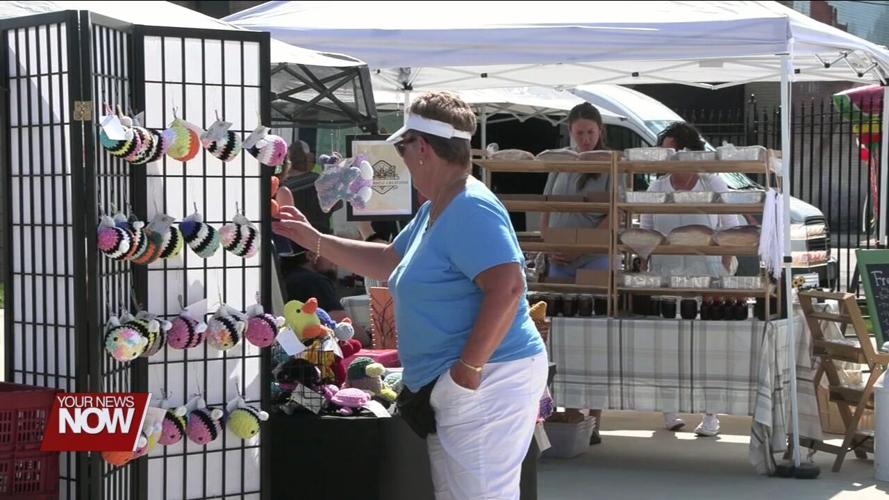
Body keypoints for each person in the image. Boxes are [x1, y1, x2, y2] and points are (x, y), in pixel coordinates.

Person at [273, 91, 547, 500]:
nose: (400, 158)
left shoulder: (470, 205)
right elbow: (388, 260)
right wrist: (313, 239)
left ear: (422, 148)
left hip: (487, 379)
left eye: (401, 147)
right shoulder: (441, 205)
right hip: (466, 381)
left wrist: (467, 371)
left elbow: (509, 287)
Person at [641, 122, 746, 437]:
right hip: (666, 275)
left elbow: (732, 227)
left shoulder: (712, 181)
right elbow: (644, 231)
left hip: (707, 273)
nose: (670, 157)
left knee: (706, 345)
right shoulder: (656, 188)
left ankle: (711, 413)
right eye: (666, 151)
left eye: (675, 150)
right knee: (668, 344)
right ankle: (669, 408)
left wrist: (725, 265)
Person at [542, 102, 610, 445]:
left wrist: (583, 249)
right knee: (560, 337)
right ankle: (562, 413)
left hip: (594, 259)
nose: (585, 138)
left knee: (592, 338)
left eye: (590, 131)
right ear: (570, 131)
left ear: (599, 132)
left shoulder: (610, 164)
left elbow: (615, 217)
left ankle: (594, 421)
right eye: (579, 132)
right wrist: (547, 244)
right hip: (558, 258)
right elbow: (546, 207)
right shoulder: (560, 163)